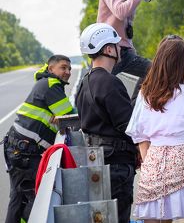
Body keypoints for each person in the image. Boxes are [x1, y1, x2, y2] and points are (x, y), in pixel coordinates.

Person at [126, 35, 184, 223]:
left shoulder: (145, 93)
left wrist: (148, 163)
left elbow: (140, 135)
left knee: (155, 216)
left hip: (154, 159)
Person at [75, 22, 138, 223]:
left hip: (96, 160)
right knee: (119, 216)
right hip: (116, 164)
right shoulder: (110, 82)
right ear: (109, 49)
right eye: (117, 45)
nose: (120, 49)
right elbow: (129, 126)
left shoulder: (85, 82)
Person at [3, 55, 75, 223]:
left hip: (18, 148)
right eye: (63, 67)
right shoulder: (51, 85)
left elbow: (65, 116)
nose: (67, 72)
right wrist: (65, 116)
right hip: (24, 151)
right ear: (51, 69)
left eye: (69, 69)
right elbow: (71, 116)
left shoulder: (47, 83)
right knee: (33, 199)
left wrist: (62, 117)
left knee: (18, 197)